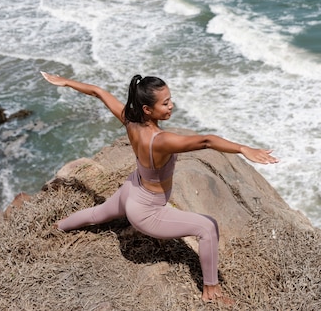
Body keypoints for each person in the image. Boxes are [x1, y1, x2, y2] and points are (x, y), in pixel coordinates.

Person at [41, 71, 278, 304]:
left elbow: (98, 92)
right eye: (165, 103)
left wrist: (66, 82)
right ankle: (211, 290)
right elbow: (206, 140)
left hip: (132, 189)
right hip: (147, 211)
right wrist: (243, 149)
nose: (171, 106)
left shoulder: (129, 120)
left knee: (97, 214)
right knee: (208, 227)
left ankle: (58, 226)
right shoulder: (161, 141)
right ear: (147, 109)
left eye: (170, 99)